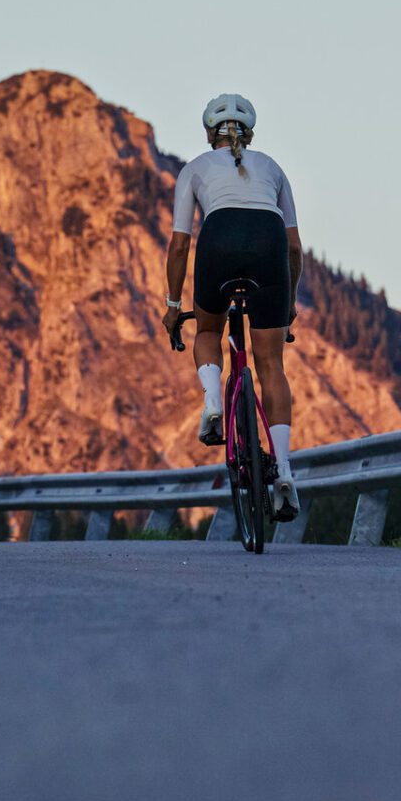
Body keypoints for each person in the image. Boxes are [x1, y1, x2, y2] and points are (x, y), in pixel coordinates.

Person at [161, 93, 303, 520]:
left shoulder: (194, 170)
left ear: (209, 133)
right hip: (268, 241)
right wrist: (289, 302)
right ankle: (285, 473)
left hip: (218, 241)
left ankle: (212, 402)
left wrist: (172, 306)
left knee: (207, 331)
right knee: (271, 366)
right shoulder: (273, 169)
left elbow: (180, 243)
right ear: (250, 133)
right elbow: (294, 248)